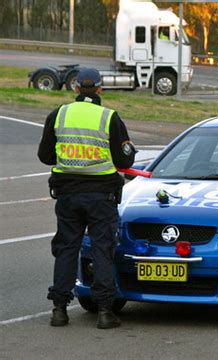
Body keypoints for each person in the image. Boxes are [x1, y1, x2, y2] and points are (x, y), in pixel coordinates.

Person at [37, 68, 136, 329]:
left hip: (68, 195)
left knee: (66, 249)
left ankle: (59, 309)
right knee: (103, 250)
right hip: (102, 196)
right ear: (101, 89)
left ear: (76, 89)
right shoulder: (109, 118)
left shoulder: (59, 114)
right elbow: (124, 159)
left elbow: (46, 156)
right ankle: (105, 311)